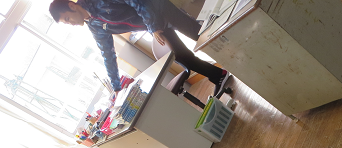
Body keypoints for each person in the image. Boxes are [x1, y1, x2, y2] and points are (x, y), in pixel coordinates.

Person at [48, 0, 231, 98]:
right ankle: (219, 75)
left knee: (202, 36)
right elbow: (107, 54)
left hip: (158, 9)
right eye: (66, 23)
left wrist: (152, 26)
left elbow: (137, 1)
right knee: (182, 57)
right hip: (154, 26)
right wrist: (116, 87)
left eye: (67, 19)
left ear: (72, 6)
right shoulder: (94, 26)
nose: (70, 24)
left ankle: (237, 56)